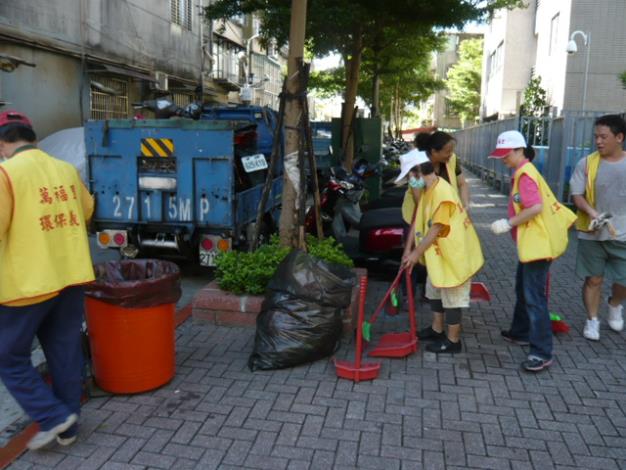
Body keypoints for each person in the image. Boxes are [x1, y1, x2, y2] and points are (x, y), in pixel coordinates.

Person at [0, 110, 95, 449]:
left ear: (3, 144)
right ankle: (69, 424)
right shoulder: (65, 169)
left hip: (28, 284)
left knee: (8, 358)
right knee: (64, 350)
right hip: (70, 277)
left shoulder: (6, 174)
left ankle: (54, 417)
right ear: (34, 138)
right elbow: (86, 211)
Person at [489, 130, 576, 372]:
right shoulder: (522, 171)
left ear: (519, 151)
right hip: (532, 244)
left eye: (506, 155)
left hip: (538, 246)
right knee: (523, 287)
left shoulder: (525, 174)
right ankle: (520, 332)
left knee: (534, 298)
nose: (503, 159)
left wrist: (509, 223)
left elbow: (535, 207)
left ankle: (541, 352)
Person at [401, 151, 484, 353]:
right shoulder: (428, 189)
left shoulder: (442, 193)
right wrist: (407, 249)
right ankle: (437, 330)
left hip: (455, 255)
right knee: (435, 291)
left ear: (418, 172)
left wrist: (414, 253)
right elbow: (416, 220)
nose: (409, 182)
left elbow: (436, 229)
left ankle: (453, 341)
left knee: (452, 297)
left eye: (410, 177)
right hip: (439, 255)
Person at [569, 114, 626, 341]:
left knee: (623, 280)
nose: (598, 141)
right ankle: (592, 320)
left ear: (619, 137)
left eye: (604, 137)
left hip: (623, 233)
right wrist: (594, 214)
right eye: (596, 137)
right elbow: (576, 195)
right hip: (592, 231)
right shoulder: (586, 163)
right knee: (594, 279)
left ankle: (614, 303)